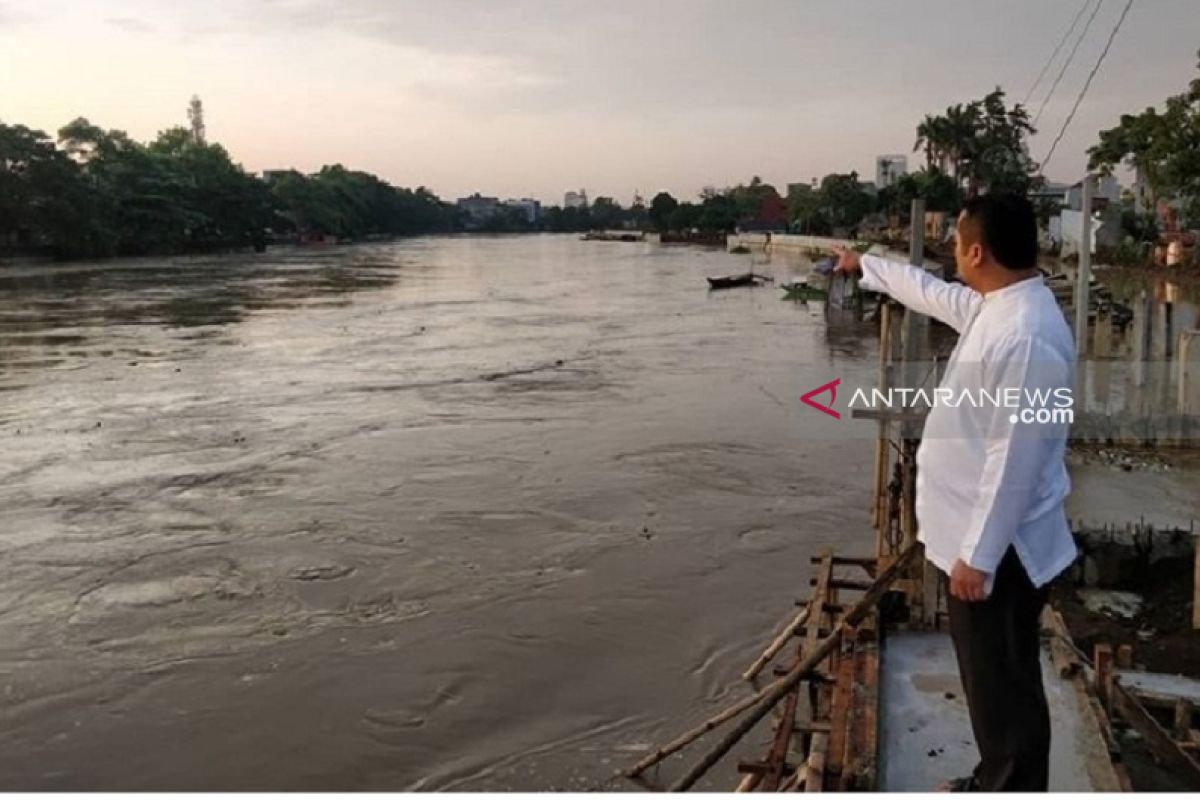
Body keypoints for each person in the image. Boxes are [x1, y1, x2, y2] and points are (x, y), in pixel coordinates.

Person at [832, 193, 1077, 792]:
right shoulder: (1001, 307)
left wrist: (981, 556)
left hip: (1001, 552)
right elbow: (935, 294)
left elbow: (1015, 456)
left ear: (976, 250)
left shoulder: (1025, 336)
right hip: (978, 541)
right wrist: (866, 266)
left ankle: (1009, 785)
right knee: (992, 682)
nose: (952, 257)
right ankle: (995, 776)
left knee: (1003, 687)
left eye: (957, 244)